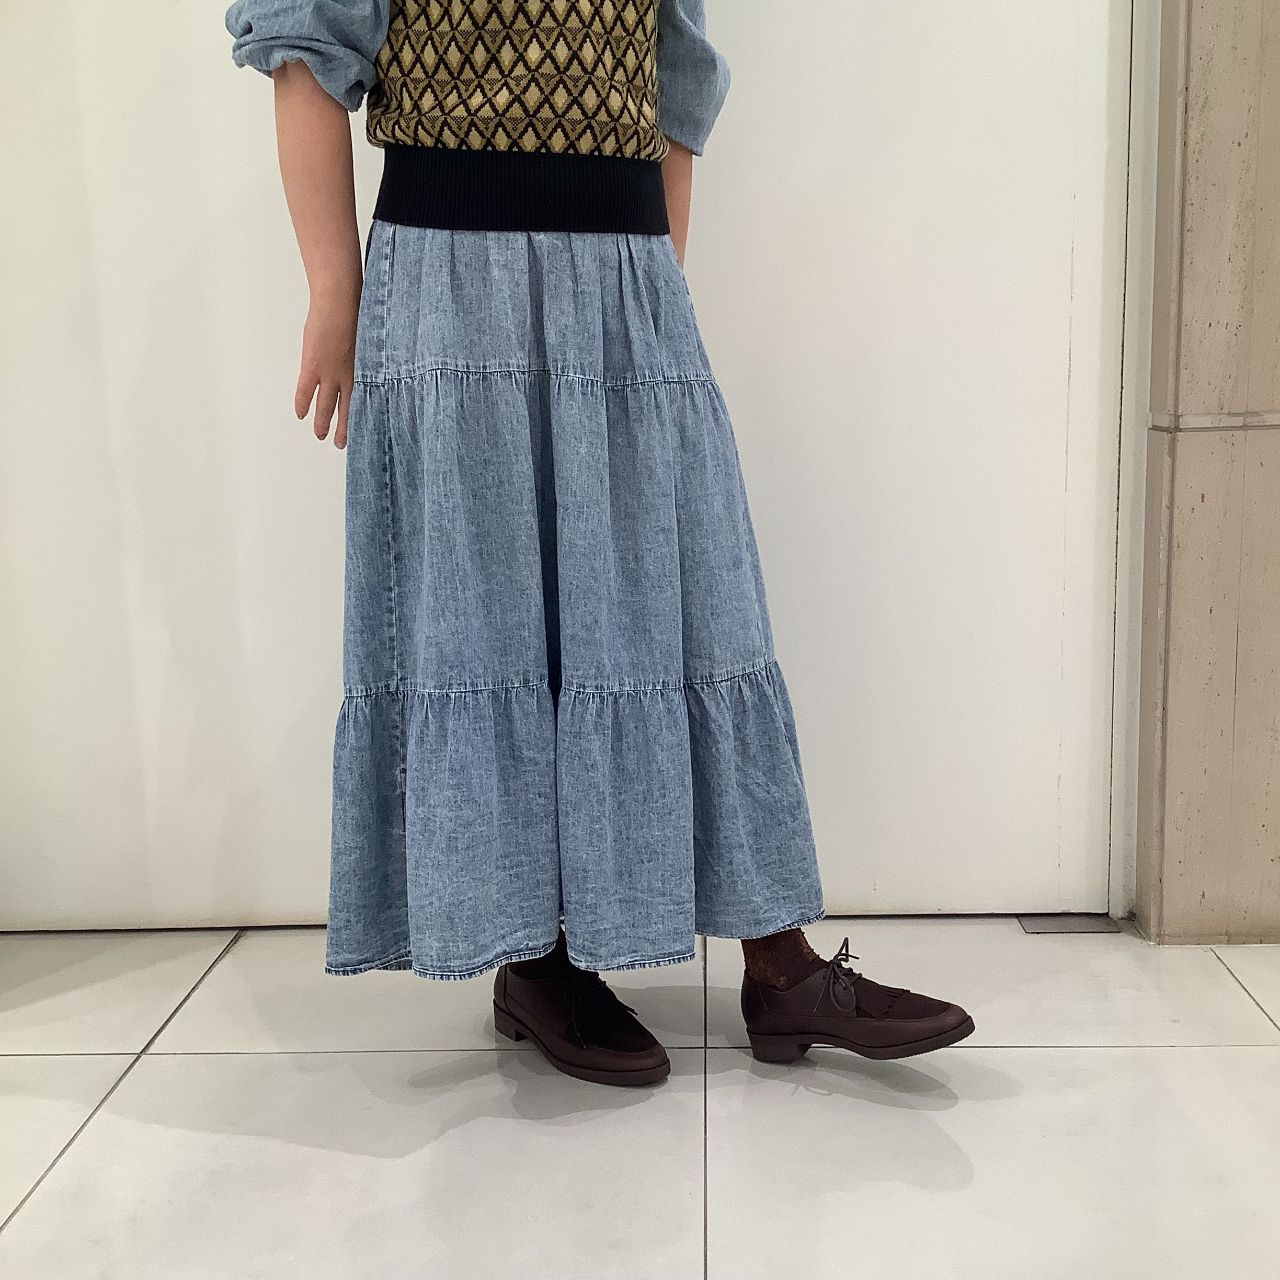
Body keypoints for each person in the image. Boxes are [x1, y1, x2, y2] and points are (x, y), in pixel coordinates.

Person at [224, 0, 974, 1086]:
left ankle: (780, 964)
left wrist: (655, 290)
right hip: (450, 282)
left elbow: (675, 94)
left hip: (624, 275)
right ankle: (533, 961)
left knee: (696, 610)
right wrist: (333, 294)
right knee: (488, 624)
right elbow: (304, 52)